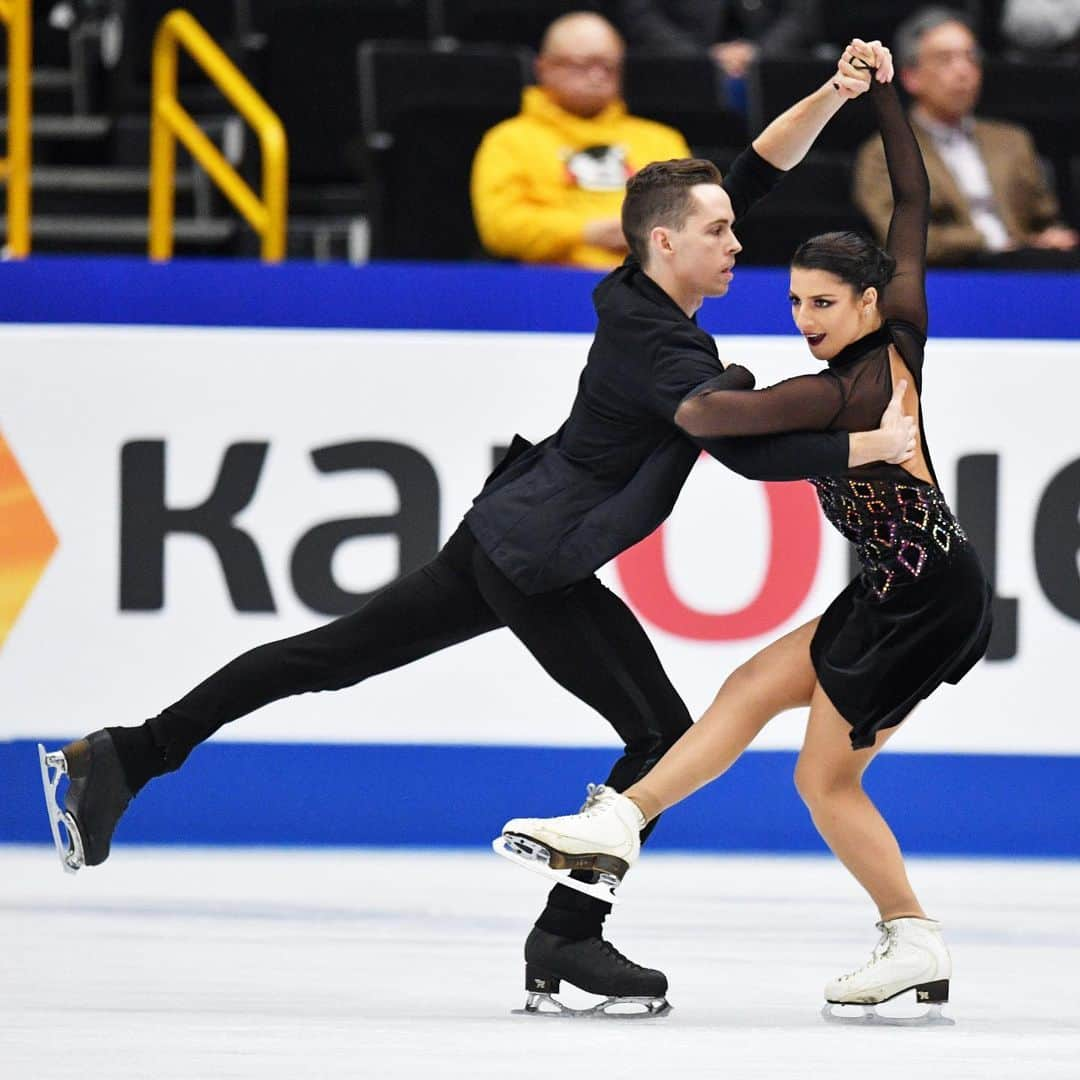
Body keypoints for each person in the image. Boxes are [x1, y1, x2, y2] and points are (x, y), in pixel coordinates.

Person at [38, 41, 913, 1020]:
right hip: (535, 560)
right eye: (719, 233)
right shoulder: (659, 343)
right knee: (662, 739)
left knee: (332, 655)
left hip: (512, 524)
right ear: (668, 242)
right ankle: (567, 940)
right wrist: (864, 445)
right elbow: (742, 451)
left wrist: (834, 95)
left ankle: (125, 754)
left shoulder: (638, 282)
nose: (739, 243)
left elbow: (753, 166)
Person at [499, 46, 993, 1022]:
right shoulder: (894, 329)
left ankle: (912, 936)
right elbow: (911, 198)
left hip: (930, 602)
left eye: (821, 303)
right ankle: (619, 823)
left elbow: (738, 421)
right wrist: (885, 96)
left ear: (865, 300)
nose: (805, 319)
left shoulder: (850, 382)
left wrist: (736, 405)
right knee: (748, 688)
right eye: (794, 302)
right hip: (893, 591)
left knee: (823, 782)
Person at [853, 7, 1079, 267]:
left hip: (1022, 273)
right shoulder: (884, 151)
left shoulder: (1012, 140)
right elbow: (901, 238)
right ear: (910, 76)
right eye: (945, 59)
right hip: (945, 279)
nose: (963, 71)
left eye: (971, 58)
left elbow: (1045, 219)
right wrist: (993, 241)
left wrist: (1050, 237)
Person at [470, 12, 691, 270]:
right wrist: (587, 231)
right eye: (582, 65)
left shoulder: (661, 141)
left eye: (608, 66)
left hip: (649, 288)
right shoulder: (509, 140)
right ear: (543, 68)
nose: (597, 76)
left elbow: (691, 222)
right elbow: (500, 227)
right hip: (547, 286)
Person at [614, 0, 821, 78]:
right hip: (682, 66)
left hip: (772, 66)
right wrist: (701, 57)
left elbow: (801, 14)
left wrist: (759, 52)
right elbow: (641, 15)